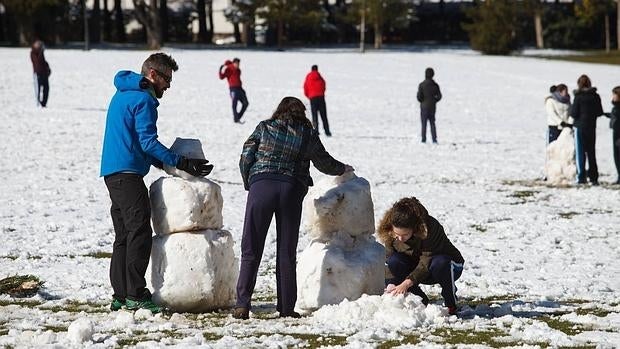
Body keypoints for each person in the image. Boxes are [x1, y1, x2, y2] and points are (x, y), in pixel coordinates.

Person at [100, 53, 213, 313]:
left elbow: (137, 142)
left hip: (113, 171)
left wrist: (165, 164)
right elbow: (148, 142)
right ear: (153, 75)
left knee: (124, 235)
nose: (169, 85)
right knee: (139, 231)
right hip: (128, 174)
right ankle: (136, 294)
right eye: (167, 79)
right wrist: (182, 162)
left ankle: (120, 293)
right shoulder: (144, 100)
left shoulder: (124, 92)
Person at [234, 96, 354, 320]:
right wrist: (342, 169)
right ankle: (286, 308)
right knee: (286, 251)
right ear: (302, 113)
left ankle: (242, 304)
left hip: (262, 186)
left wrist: (250, 182)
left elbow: (245, 156)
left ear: (279, 110)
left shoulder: (264, 127)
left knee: (251, 247)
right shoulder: (306, 133)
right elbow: (323, 161)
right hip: (290, 189)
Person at [377, 197, 464, 316]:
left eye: (405, 234)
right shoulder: (390, 231)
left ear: (414, 228)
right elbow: (390, 259)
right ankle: (421, 300)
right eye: (397, 234)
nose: (400, 238)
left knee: (440, 262)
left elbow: (426, 261)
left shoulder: (430, 227)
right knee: (394, 261)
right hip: (416, 268)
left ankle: (451, 304)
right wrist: (391, 282)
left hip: (445, 267)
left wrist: (406, 283)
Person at [570, 74, 604, 185]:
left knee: (580, 153)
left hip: (580, 127)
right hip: (591, 127)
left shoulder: (578, 97)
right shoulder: (595, 96)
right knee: (591, 152)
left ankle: (581, 177)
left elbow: (574, 113)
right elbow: (599, 112)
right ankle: (594, 177)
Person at [303, 65, 331, 136]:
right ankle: (327, 131)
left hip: (313, 98)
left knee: (314, 116)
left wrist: (309, 96)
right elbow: (323, 85)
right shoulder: (320, 76)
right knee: (323, 115)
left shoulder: (308, 76)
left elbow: (305, 87)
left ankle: (316, 131)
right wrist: (321, 93)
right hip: (321, 97)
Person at [416, 67, 442, 144]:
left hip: (424, 106)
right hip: (432, 106)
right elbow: (439, 96)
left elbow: (419, 97)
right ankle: (434, 139)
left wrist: (422, 101)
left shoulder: (422, 85)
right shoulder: (435, 85)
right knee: (432, 123)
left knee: (424, 123)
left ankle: (423, 139)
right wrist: (434, 100)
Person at [219, 57, 249, 123]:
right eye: (237, 64)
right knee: (234, 104)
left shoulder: (238, 70)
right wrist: (220, 69)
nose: (238, 65)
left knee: (246, 103)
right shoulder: (228, 69)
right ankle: (236, 119)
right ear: (234, 63)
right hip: (233, 89)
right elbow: (221, 77)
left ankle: (237, 117)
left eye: (239, 64)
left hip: (240, 89)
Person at [604, 86, 620, 184]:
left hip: (618, 134)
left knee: (618, 156)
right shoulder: (616, 107)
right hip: (616, 132)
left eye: (614, 95)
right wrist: (609, 115)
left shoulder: (617, 107)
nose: (613, 97)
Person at [30, 40, 51, 107]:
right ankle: (38, 104)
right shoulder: (33, 53)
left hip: (44, 74)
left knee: (46, 89)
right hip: (38, 74)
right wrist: (40, 52)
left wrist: (48, 69)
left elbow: (43, 62)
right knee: (38, 90)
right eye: (40, 46)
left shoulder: (41, 53)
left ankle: (44, 104)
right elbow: (37, 62)